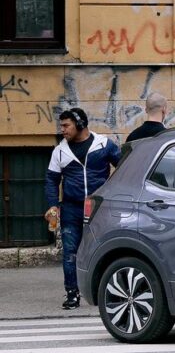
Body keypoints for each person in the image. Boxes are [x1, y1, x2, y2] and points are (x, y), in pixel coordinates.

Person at [44, 108, 121, 310]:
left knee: (107, 249)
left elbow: (123, 167)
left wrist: (111, 190)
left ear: (79, 124)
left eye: (66, 125)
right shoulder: (60, 151)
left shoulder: (103, 145)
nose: (63, 130)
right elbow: (51, 180)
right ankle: (72, 294)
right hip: (71, 208)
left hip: (99, 208)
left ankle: (111, 291)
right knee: (70, 252)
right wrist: (53, 204)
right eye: (61, 126)